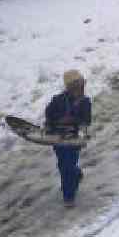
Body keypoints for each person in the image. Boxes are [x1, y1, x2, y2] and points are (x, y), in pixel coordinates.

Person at [45, 70, 92, 207]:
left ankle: (69, 196)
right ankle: (75, 176)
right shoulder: (58, 100)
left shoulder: (85, 102)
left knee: (68, 166)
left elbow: (86, 121)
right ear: (70, 88)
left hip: (73, 140)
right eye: (77, 86)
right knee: (63, 165)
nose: (81, 89)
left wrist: (80, 128)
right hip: (58, 139)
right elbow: (49, 115)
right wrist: (50, 125)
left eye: (82, 85)